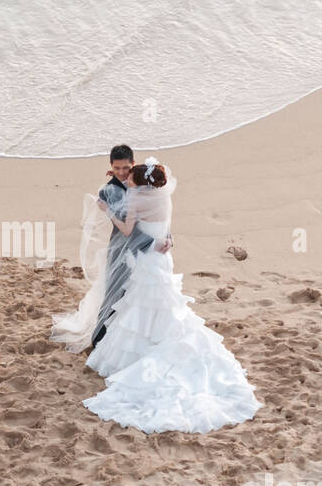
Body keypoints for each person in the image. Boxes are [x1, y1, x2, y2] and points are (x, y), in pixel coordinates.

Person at [82, 159, 261, 434]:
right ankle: (161, 340)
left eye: (132, 179)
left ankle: (139, 354)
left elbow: (128, 230)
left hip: (145, 260)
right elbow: (163, 229)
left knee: (139, 304)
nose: (128, 181)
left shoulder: (136, 199)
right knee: (164, 304)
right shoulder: (163, 199)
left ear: (141, 184)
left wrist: (107, 210)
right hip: (162, 259)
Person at [50, 143, 167, 352]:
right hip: (122, 249)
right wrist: (153, 242)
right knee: (114, 293)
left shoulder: (143, 181)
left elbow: (156, 212)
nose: (121, 173)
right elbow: (126, 227)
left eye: (125, 168)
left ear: (133, 165)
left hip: (147, 251)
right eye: (116, 169)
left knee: (140, 296)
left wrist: (167, 236)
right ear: (110, 167)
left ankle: (137, 342)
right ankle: (99, 338)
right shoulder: (107, 191)